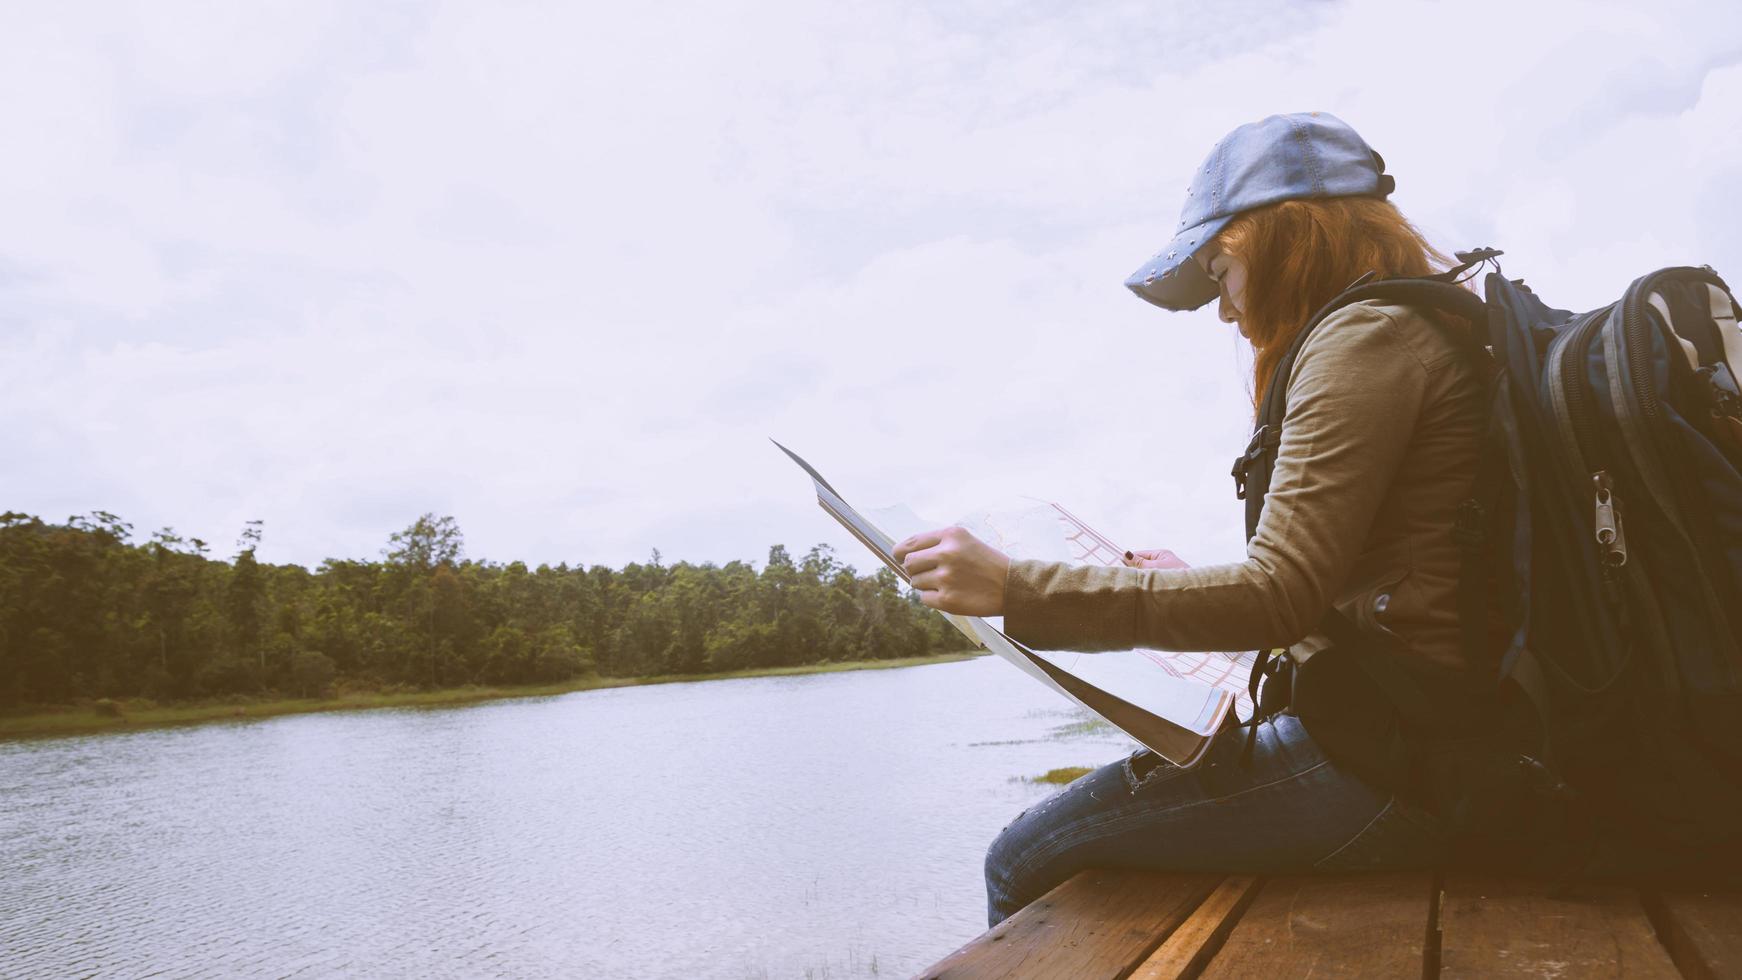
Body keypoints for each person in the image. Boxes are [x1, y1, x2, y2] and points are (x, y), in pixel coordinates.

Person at [890, 112, 1490, 926]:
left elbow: (1280, 594)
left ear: (1290, 240)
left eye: (1221, 269)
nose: (1224, 310)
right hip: (1417, 742)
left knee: (1022, 858)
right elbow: (1337, 583)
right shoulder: (1413, 320)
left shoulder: (1366, 337)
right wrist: (1192, 588)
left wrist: (1015, 586)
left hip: (1397, 764)